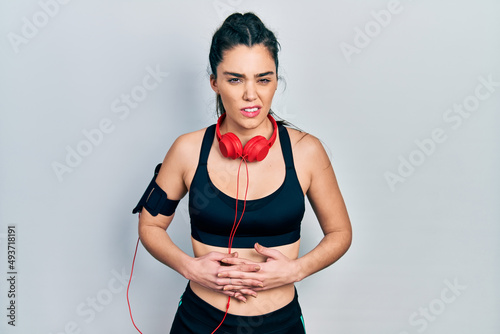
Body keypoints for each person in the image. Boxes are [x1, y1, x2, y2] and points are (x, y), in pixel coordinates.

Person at [135, 12, 352, 333]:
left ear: (277, 80)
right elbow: (150, 224)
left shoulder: (307, 151)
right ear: (215, 82)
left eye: (263, 79)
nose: (251, 94)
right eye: (235, 79)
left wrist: (296, 270)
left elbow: (340, 233)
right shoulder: (187, 150)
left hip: (279, 323)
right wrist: (190, 267)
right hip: (201, 321)